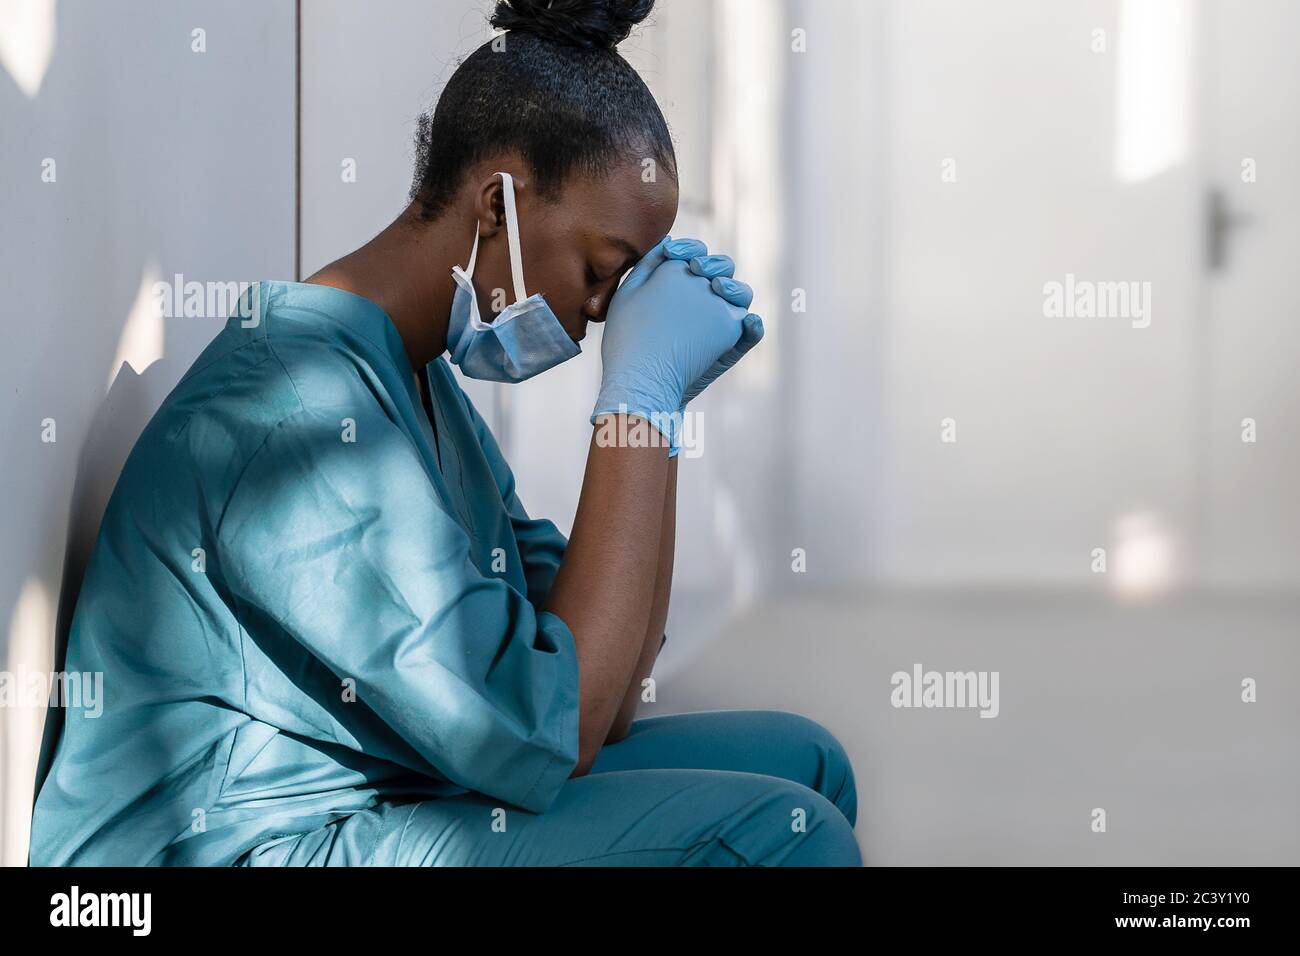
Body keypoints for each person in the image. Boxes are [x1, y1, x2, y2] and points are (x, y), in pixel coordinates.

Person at [28, 0, 861, 867]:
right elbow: (560, 727)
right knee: (783, 838)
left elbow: (604, 695)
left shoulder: (421, 385)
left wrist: (665, 405)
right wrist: (635, 402)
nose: (606, 316)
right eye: (603, 271)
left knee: (809, 765)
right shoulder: (299, 411)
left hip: (378, 798)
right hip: (233, 845)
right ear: (497, 201)